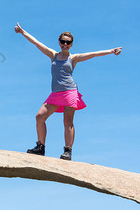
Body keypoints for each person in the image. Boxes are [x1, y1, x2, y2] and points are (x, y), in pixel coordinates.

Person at [14, 22, 122, 160]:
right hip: (55, 93)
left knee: (68, 121)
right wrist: (22, 32)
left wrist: (111, 51)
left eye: (68, 42)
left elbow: (93, 54)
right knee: (40, 117)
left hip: (70, 92)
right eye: (63, 41)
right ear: (59, 42)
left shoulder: (73, 58)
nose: (65, 44)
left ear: (71, 44)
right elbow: (37, 43)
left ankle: (68, 151)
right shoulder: (53, 55)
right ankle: (40, 147)